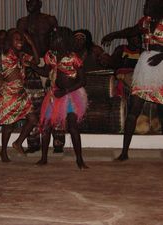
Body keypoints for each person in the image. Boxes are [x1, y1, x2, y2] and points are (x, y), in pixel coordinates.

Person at [101, 0, 163, 161]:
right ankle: (124, 153)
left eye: (148, 5)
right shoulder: (145, 22)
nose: (145, 7)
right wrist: (113, 35)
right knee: (133, 109)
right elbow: (130, 30)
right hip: (146, 66)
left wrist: (161, 57)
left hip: (161, 65)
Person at [32, 27, 88, 169]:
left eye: (54, 38)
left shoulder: (73, 57)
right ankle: (44, 158)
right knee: (46, 126)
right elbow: (46, 71)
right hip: (54, 94)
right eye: (51, 37)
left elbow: (82, 81)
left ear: (63, 41)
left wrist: (66, 91)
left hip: (71, 95)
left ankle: (80, 160)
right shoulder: (50, 55)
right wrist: (33, 67)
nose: (51, 40)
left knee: (73, 126)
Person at [17, 0, 65, 153]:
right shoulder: (22, 22)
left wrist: (54, 62)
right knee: (33, 104)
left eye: (33, 1)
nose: (30, 3)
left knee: (55, 102)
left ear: (40, 3)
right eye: (28, 1)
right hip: (31, 63)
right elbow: (18, 44)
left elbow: (59, 40)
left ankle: (58, 141)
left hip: (49, 61)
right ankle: (33, 143)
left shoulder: (49, 20)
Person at [0, 28, 38, 162]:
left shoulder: (22, 55)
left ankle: (18, 143)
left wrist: (31, 43)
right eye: (16, 39)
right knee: (9, 126)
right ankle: (3, 151)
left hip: (21, 93)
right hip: (8, 94)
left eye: (21, 39)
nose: (20, 42)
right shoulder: (5, 53)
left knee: (33, 120)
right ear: (10, 41)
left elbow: (35, 60)